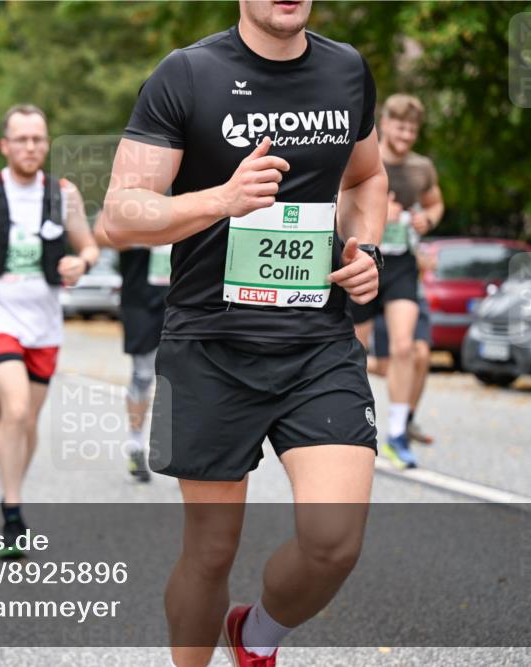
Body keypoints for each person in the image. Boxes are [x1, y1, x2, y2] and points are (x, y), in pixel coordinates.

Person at [102, 1, 387, 664]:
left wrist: (365, 250)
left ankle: (255, 634)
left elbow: (368, 175)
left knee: (334, 540)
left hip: (318, 343)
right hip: (206, 346)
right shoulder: (186, 75)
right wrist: (221, 200)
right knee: (210, 550)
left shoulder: (347, 71)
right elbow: (119, 214)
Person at [0, 105, 98, 558]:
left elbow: (87, 245)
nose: (31, 147)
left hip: (45, 322)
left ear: (47, 144)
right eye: (22, 139)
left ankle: (13, 488)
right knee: (15, 405)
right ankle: (12, 511)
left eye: (39, 139)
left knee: (27, 420)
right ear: (4, 146)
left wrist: (80, 262)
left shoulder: (62, 194)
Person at [351, 93, 444, 468]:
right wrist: (375, 212)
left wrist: (429, 220)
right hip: (362, 260)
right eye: (399, 125)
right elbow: (338, 197)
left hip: (402, 264)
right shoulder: (364, 156)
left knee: (405, 347)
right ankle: (352, 427)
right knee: (354, 351)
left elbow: (435, 203)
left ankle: (396, 434)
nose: (405, 133)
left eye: (412, 128)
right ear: (385, 123)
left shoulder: (422, 168)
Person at [93, 222, 169, 483]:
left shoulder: (195, 185)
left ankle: (188, 452)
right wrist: (149, 233)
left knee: (189, 375)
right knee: (143, 374)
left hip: (183, 296)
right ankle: (136, 445)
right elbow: (100, 233)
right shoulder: (135, 187)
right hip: (140, 299)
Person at [367, 292, 434, 444]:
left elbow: (430, 266)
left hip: (415, 295)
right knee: (385, 368)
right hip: (384, 296)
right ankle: (345, 360)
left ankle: (404, 422)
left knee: (421, 354)